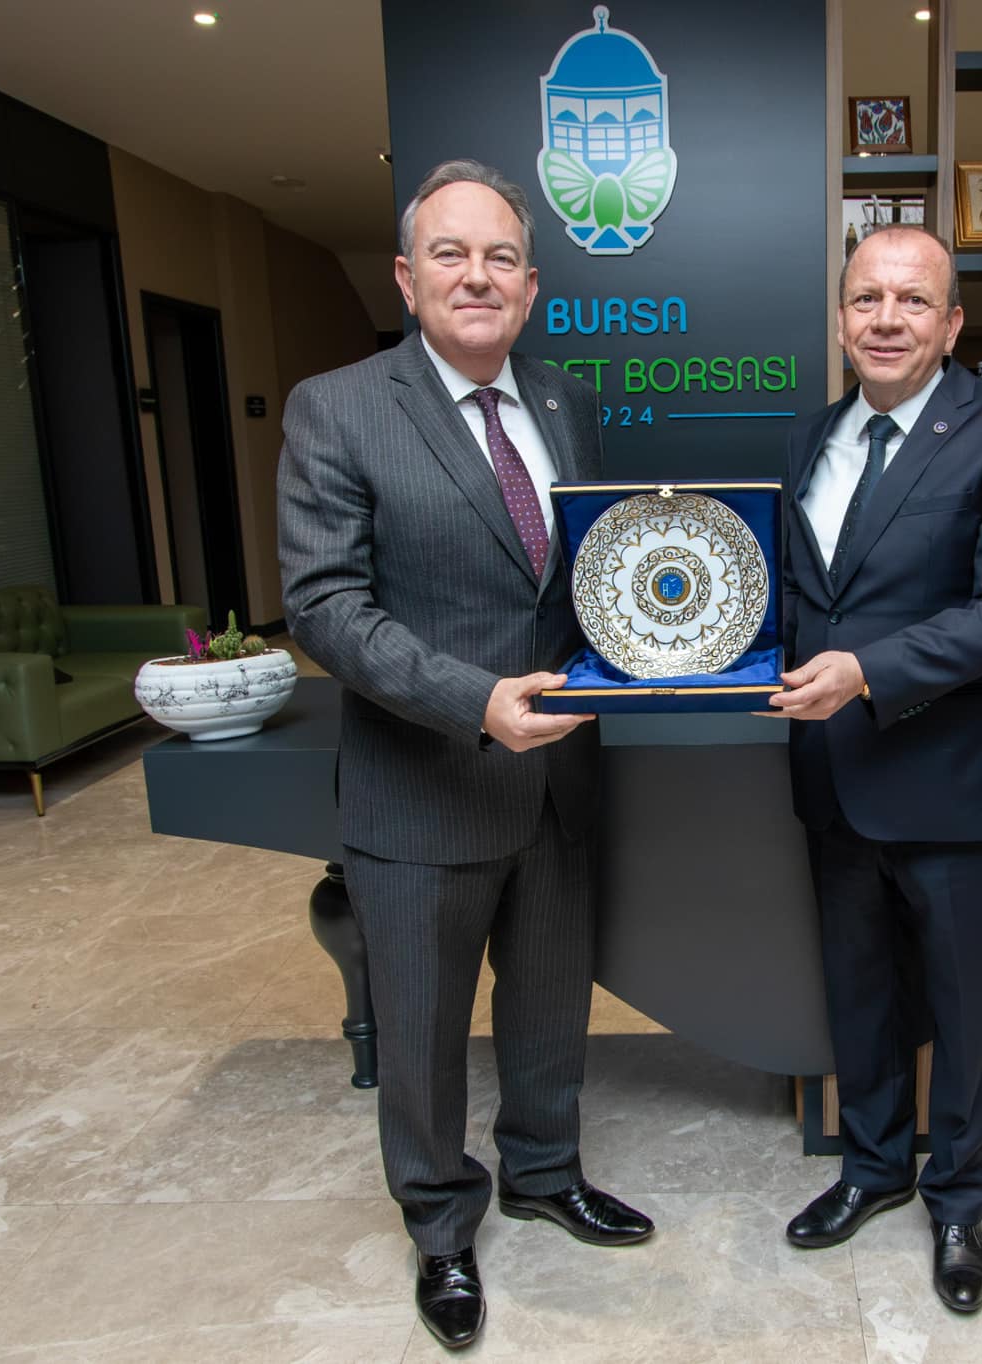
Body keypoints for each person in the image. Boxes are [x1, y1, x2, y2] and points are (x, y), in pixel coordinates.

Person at [279, 158, 654, 1352]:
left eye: (500, 257)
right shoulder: (337, 407)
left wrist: (675, 650)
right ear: (407, 276)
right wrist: (471, 701)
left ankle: (543, 1170)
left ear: (530, 286)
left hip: (558, 778)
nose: (476, 276)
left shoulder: (564, 401)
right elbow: (324, 606)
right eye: (450, 254)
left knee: (547, 1002)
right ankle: (440, 1224)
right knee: (425, 1029)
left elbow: (584, 576)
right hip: (423, 783)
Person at [768, 226, 982, 1314]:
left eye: (911, 300)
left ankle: (958, 1203)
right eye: (866, 298)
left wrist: (864, 671)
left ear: (950, 324)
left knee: (966, 1013)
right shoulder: (810, 436)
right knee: (861, 996)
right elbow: (798, 596)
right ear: (842, 316)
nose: (885, 319)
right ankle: (873, 1166)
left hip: (958, 785)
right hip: (835, 774)